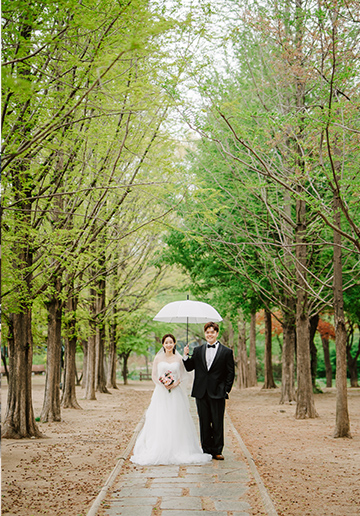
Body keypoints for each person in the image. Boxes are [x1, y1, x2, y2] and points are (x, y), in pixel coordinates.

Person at [130, 333, 212, 465]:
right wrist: (163, 383)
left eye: (171, 342)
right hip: (161, 393)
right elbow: (154, 376)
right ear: (163, 344)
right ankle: (159, 447)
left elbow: (185, 376)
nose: (168, 345)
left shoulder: (178, 358)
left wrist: (175, 383)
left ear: (174, 344)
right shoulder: (158, 358)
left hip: (176, 393)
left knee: (176, 418)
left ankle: (179, 447)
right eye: (166, 342)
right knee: (160, 418)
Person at [183, 321, 235, 460]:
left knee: (217, 422)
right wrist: (186, 356)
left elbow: (230, 373)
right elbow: (189, 367)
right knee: (204, 422)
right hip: (201, 392)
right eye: (207, 332)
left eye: (212, 332)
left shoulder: (226, 352)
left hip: (218, 392)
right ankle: (206, 450)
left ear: (216, 333)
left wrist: (226, 390)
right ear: (205, 334)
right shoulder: (198, 350)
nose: (210, 334)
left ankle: (217, 450)